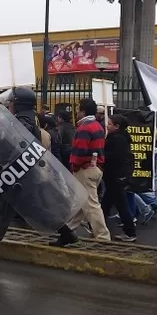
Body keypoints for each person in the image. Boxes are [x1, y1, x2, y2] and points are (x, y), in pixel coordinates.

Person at [0, 88, 78, 260]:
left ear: (19, 103)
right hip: (24, 172)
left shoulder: (23, 120)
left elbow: (20, 143)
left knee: (2, 207)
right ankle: (67, 233)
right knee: (36, 209)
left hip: (17, 172)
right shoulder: (28, 116)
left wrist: (7, 160)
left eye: (12, 101)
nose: (9, 104)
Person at [66, 98, 111, 240]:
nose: (76, 112)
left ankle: (103, 236)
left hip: (84, 170)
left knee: (91, 205)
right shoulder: (98, 126)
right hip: (96, 167)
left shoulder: (84, 128)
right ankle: (67, 231)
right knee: (81, 203)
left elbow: (80, 151)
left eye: (78, 109)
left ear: (83, 111)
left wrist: (75, 166)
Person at [101, 114, 137, 242]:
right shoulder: (119, 137)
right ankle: (95, 224)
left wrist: (102, 155)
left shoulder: (117, 139)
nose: (107, 125)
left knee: (122, 205)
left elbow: (115, 157)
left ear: (117, 126)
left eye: (110, 124)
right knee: (105, 203)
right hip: (115, 176)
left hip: (116, 176)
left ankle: (130, 232)